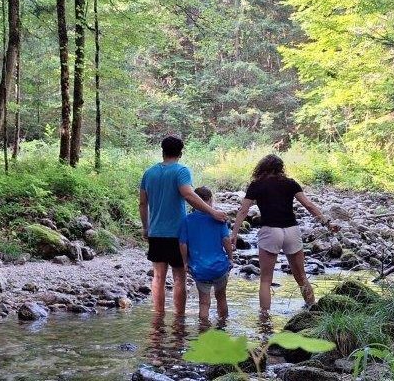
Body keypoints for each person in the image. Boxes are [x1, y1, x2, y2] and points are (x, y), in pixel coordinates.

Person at [230, 154, 337, 313]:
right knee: (301, 276)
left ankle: (264, 319)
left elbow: (243, 210)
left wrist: (234, 233)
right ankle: (312, 309)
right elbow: (309, 205)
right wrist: (327, 223)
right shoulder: (290, 183)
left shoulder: (256, 185)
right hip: (291, 231)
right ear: (281, 168)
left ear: (262, 167)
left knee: (265, 280)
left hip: (270, 231)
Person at [139, 136, 228, 316]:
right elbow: (188, 195)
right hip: (177, 233)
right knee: (179, 278)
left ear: (162, 151)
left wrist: (146, 227)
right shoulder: (181, 171)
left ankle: (158, 317)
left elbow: (142, 203)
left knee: (158, 277)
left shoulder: (149, 173)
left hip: (156, 232)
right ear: (180, 153)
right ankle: (179, 319)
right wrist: (212, 212)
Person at [178, 186, 233, 321]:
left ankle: (203, 330)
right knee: (221, 299)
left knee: (204, 303)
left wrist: (185, 262)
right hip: (219, 267)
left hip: (200, 269)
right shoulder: (219, 219)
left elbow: (183, 244)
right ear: (210, 200)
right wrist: (230, 258)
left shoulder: (187, 220)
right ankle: (223, 326)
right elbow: (226, 240)